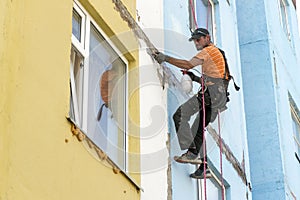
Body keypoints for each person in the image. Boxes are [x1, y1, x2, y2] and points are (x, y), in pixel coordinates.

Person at [153, 28, 230, 179]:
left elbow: (188, 64)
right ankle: (204, 167)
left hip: (210, 95)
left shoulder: (208, 51)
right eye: (194, 40)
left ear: (207, 38)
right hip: (217, 98)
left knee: (180, 115)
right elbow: (212, 79)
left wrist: (165, 58)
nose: (196, 42)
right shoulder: (215, 54)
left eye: (198, 39)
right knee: (198, 130)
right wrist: (194, 78)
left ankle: (192, 153)